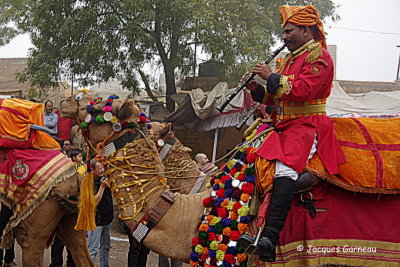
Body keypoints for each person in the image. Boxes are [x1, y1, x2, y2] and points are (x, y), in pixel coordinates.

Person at [237, 4, 346, 262]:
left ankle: (270, 236)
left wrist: (271, 76)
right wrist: (255, 89)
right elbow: (277, 101)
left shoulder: (319, 56)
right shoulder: (286, 59)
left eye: (289, 31)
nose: (284, 37)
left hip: (307, 126)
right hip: (284, 126)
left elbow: (303, 91)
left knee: (285, 169)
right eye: (283, 32)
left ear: (307, 31)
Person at [87, 159, 113, 267]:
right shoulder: (88, 183)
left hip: (107, 219)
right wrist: (102, 187)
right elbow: (94, 202)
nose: (102, 170)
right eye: (99, 168)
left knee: (106, 247)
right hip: (95, 221)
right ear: (92, 170)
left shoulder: (105, 179)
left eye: (102, 167)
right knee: (93, 249)